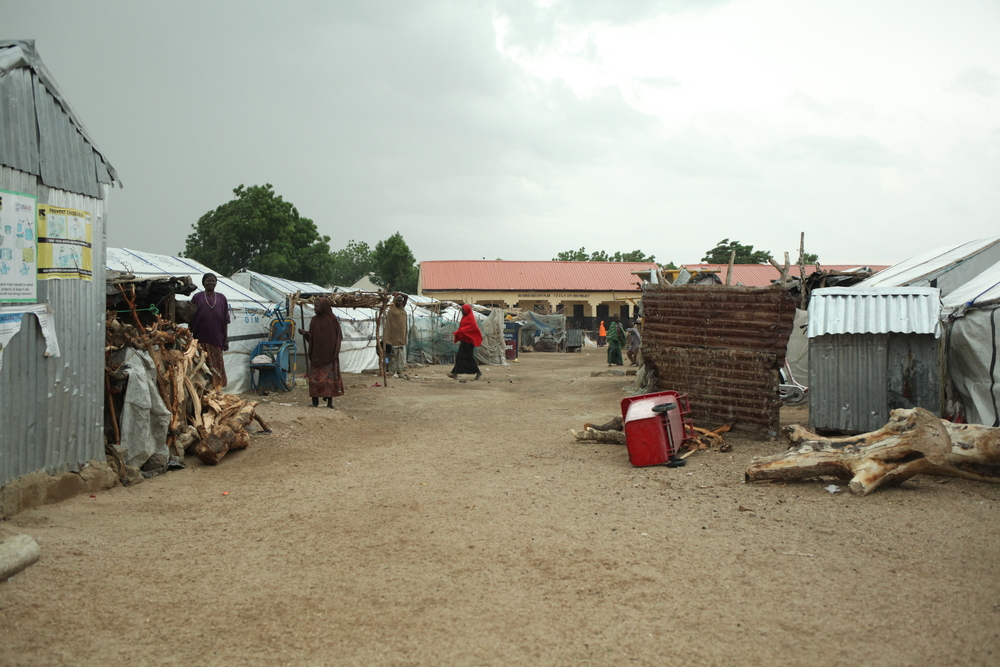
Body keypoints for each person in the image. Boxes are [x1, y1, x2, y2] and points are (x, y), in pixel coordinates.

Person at [298, 297, 344, 408]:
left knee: (328, 380)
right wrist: (305, 334)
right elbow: (313, 337)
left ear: (323, 307)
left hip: (329, 356)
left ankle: (329, 402)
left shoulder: (332, 320)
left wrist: (334, 351)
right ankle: (315, 402)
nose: (315, 308)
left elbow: (338, 337)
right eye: (314, 306)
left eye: (317, 306)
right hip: (317, 355)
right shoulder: (314, 320)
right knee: (315, 379)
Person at [190, 273, 230, 389]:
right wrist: (190, 336)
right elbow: (190, 317)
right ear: (203, 283)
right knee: (202, 366)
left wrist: (226, 339)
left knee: (217, 366)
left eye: (213, 281)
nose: (211, 283)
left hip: (217, 338)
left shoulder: (221, 298)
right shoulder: (197, 297)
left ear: (216, 283)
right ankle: (204, 390)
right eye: (208, 281)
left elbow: (225, 320)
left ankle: (217, 389)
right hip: (200, 337)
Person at [448, 304, 482, 381]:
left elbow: (469, 329)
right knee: (459, 356)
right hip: (465, 340)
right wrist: (460, 332)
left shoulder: (470, 319)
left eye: (463, 310)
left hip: (470, 341)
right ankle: (455, 373)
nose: (462, 311)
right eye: (462, 310)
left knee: (469, 357)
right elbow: (463, 328)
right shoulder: (464, 318)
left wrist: (459, 332)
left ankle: (478, 372)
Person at [383, 293, 409, 376]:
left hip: (401, 339)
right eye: (398, 301)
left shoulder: (402, 308)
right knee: (392, 356)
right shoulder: (392, 310)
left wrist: (399, 294)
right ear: (394, 301)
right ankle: (391, 370)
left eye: (401, 301)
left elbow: (406, 297)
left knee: (400, 356)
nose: (400, 302)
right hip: (393, 338)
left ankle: (399, 370)